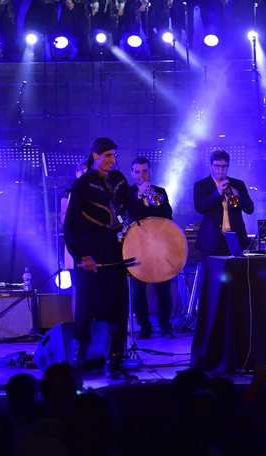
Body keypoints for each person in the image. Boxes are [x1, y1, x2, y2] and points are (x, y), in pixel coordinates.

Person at [63, 137, 135, 381]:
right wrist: (81, 255)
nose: (112, 160)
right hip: (91, 256)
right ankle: (76, 369)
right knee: (85, 312)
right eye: (107, 156)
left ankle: (114, 367)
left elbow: (128, 211)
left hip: (115, 255)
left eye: (114, 155)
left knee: (119, 310)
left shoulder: (119, 180)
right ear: (95, 156)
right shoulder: (82, 184)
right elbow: (71, 224)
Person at [125, 156, 175, 339]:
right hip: (137, 246)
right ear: (132, 174)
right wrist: (139, 197)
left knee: (164, 287)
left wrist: (150, 206)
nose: (141, 175)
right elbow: (132, 214)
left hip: (159, 246)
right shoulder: (128, 193)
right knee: (139, 291)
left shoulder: (160, 191)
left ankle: (165, 325)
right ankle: (144, 327)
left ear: (150, 172)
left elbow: (168, 215)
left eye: (144, 171)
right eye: (137, 172)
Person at [193, 149, 254, 257]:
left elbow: (250, 209)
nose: (220, 170)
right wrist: (217, 193)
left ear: (228, 166)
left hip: (235, 238)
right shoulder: (201, 185)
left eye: (224, 166)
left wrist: (238, 195)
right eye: (217, 166)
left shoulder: (238, 184)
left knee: (236, 272)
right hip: (212, 240)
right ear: (210, 166)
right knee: (212, 273)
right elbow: (199, 207)